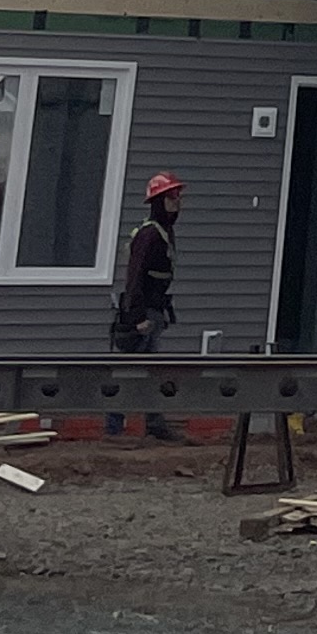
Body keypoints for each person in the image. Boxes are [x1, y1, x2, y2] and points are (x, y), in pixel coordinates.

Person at [105, 171, 186, 440]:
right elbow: (135, 277)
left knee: (150, 371)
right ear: (159, 201)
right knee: (128, 371)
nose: (178, 201)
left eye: (178, 196)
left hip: (154, 311)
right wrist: (136, 316)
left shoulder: (164, 232)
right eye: (173, 196)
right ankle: (114, 429)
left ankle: (154, 424)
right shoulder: (150, 235)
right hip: (142, 315)